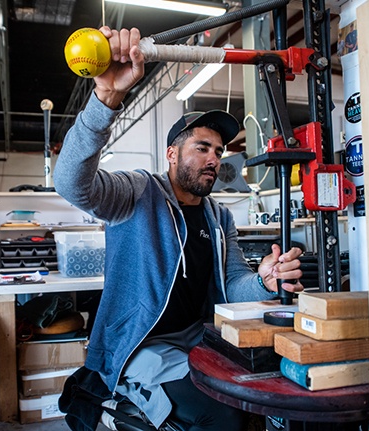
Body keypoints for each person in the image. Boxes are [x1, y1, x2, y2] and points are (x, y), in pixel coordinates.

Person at [54, 27, 304, 431]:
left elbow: (234, 281)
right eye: (202, 147)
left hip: (200, 338)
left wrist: (264, 279)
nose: (213, 159)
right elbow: (70, 182)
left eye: (219, 151)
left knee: (260, 400)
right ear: (172, 154)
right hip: (142, 344)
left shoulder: (218, 217)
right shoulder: (137, 192)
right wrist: (106, 100)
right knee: (223, 417)